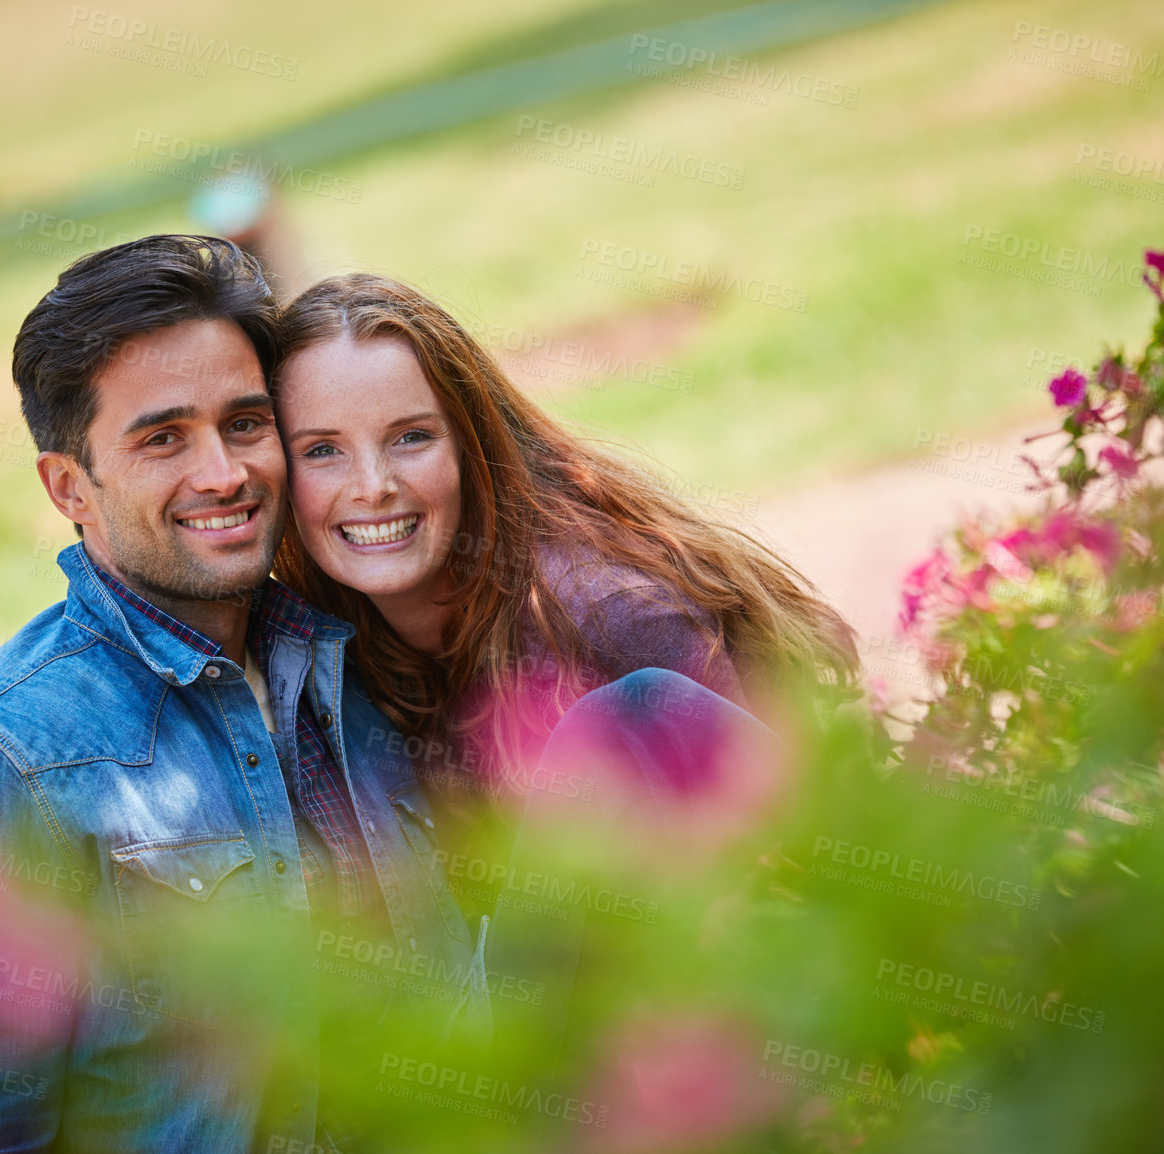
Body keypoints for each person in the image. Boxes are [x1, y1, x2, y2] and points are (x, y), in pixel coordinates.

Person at [0, 237, 486, 1153]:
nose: (225, 474)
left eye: (244, 422)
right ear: (69, 486)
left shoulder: (352, 665)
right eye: (163, 438)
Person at [270, 273, 860, 1078]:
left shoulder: (603, 621)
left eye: (412, 437)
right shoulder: (328, 637)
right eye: (323, 450)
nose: (373, 484)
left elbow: (804, 870)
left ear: (471, 444)